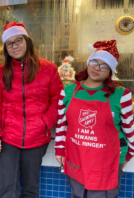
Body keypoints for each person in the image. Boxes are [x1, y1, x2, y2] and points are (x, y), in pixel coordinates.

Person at [0, 21, 63, 198]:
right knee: (8, 189)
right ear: (5, 48)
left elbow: (57, 101)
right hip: (8, 139)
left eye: (18, 40)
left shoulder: (48, 69)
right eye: (9, 43)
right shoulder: (1, 72)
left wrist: (44, 123)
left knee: (30, 189)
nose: (14, 46)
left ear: (27, 41)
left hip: (36, 138)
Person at [55, 40, 134, 198]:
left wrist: (128, 155)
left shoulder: (121, 95)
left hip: (107, 162)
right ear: (88, 63)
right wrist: (59, 149)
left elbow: (129, 130)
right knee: (77, 194)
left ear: (110, 70)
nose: (97, 68)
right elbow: (61, 124)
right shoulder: (69, 90)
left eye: (104, 65)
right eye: (94, 62)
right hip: (77, 157)